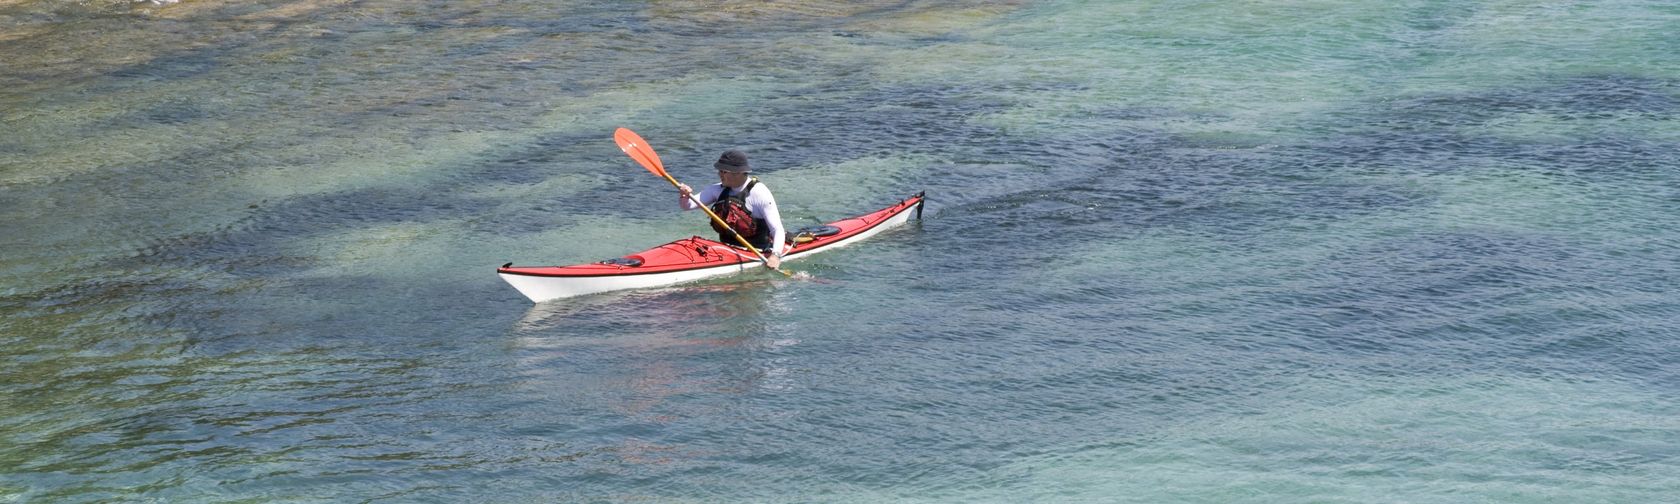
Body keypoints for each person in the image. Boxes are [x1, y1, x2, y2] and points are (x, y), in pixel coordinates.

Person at [677, 150, 787, 269]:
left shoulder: (759, 193)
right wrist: (684, 195)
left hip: (757, 251)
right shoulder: (717, 189)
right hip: (727, 250)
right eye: (719, 171)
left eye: (724, 171)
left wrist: (775, 256)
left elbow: (777, 229)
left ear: (738, 172)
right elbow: (687, 206)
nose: (719, 174)